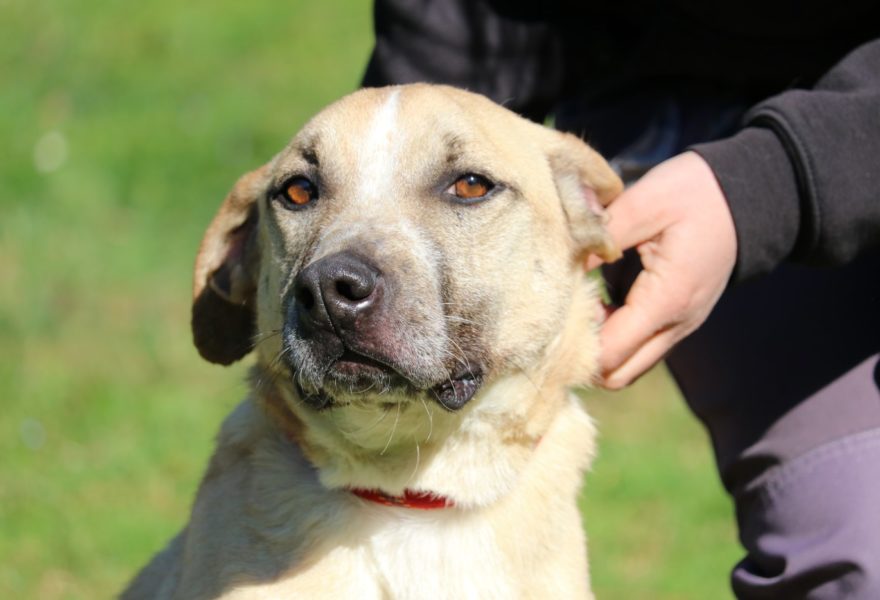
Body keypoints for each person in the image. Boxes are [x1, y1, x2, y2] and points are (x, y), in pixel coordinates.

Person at [361, 1, 880, 597]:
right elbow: (455, 45)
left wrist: (764, 186)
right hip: (691, 110)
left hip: (811, 147)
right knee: (860, 554)